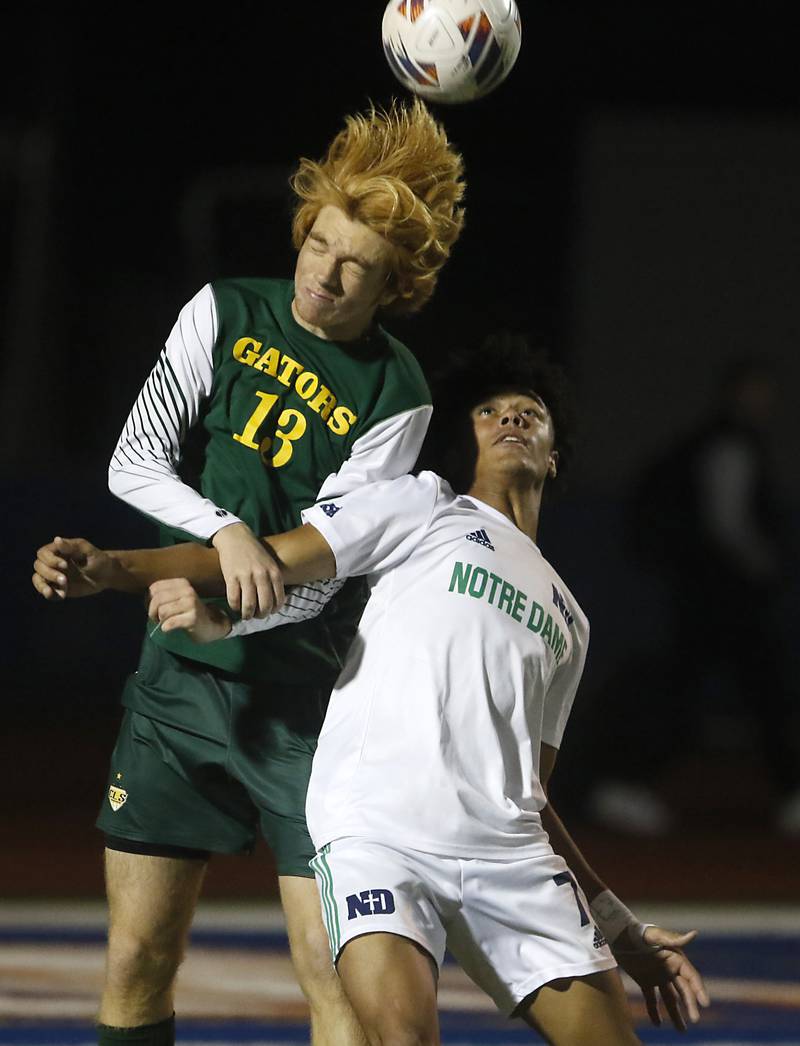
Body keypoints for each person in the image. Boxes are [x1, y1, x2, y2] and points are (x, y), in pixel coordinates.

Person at [34, 336, 709, 1044]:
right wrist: (116, 567)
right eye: (490, 410)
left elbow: (532, 797)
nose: (510, 418)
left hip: (507, 858)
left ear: (554, 453)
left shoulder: (570, 619)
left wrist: (619, 926)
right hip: (380, 834)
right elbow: (270, 560)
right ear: (466, 436)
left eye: (529, 411)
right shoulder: (423, 508)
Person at [34, 99, 465, 1046]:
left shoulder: (397, 395)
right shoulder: (225, 308)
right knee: (139, 955)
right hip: (178, 689)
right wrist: (228, 532)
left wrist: (229, 614)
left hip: (311, 706)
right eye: (319, 244)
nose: (326, 273)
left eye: (357, 264)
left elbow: (325, 571)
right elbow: (133, 460)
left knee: (335, 978)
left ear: (395, 283)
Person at [578, 356, 800, 836]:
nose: (766, 402)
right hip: (721, 600)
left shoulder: (723, 443)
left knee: (739, 694)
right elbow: (727, 524)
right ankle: (622, 784)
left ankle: (624, 783)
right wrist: (765, 568)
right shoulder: (728, 445)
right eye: (757, 391)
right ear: (738, 393)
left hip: (712, 598)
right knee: (721, 695)